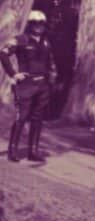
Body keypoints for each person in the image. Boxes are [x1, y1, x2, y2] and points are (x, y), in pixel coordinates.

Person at [1, 10, 56, 163]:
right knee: (22, 117)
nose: (39, 27)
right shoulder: (20, 39)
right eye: (35, 23)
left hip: (42, 85)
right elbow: (3, 53)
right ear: (30, 24)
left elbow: (50, 62)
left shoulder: (45, 42)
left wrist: (51, 80)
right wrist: (13, 74)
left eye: (41, 24)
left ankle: (33, 151)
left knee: (38, 118)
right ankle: (13, 151)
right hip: (26, 85)